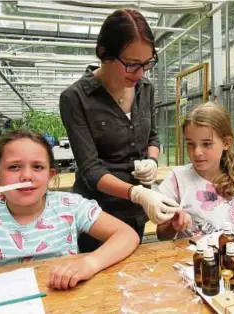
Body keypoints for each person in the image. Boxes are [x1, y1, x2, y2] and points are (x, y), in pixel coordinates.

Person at [0, 130, 140, 290]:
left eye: (38, 167)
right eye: (14, 167)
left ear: (50, 175)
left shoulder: (69, 206)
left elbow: (127, 235)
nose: (26, 176)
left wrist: (89, 264)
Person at [59, 9, 179, 252]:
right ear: (104, 54)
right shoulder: (76, 98)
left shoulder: (145, 88)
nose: (140, 73)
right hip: (98, 214)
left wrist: (152, 161)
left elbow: (152, 136)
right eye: (132, 65)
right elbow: (91, 169)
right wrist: (136, 193)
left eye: (147, 64)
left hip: (137, 211)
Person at [156, 103, 234, 240]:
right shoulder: (177, 179)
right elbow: (161, 235)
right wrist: (173, 226)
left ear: (226, 143)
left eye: (206, 144)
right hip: (190, 258)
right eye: (190, 144)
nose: (197, 152)